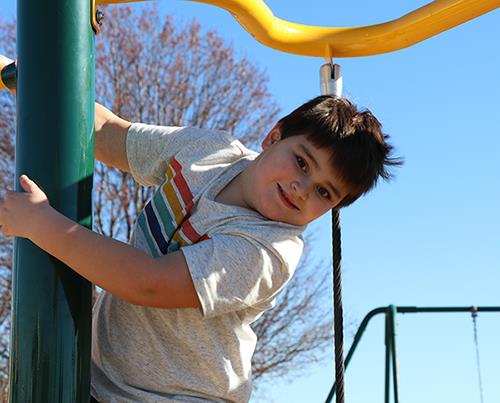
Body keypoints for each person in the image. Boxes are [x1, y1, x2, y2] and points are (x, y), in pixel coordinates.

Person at [0, 54, 400, 402]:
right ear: (274, 135)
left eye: (324, 192)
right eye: (301, 162)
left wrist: (43, 225)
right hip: (102, 380)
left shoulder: (268, 251)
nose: (301, 188)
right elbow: (106, 133)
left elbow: (149, 282)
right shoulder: (208, 153)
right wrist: (15, 76)